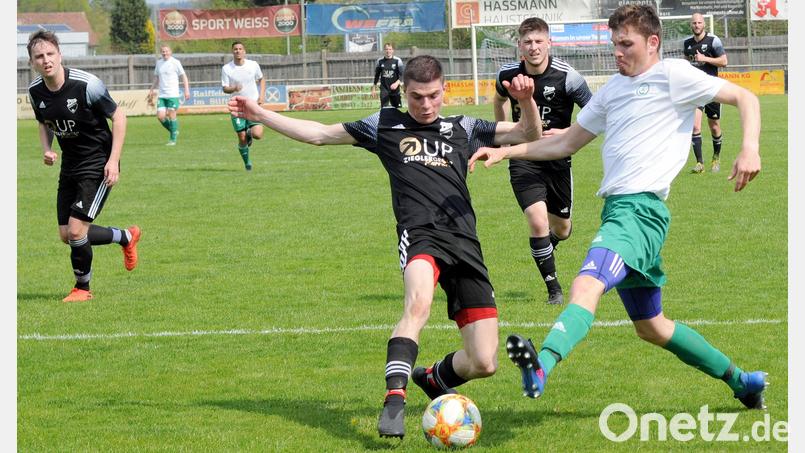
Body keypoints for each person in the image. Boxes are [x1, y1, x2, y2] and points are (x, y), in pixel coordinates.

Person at [470, 5, 767, 410]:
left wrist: (749, 148)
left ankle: (542, 364)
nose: (618, 51)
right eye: (614, 43)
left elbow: (744, 97)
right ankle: (742, 381)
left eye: (625, 43)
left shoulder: (672, 75)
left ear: (653, 42)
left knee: (586, 284)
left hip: (639, 212)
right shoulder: (612, 89)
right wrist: (507, 151)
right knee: (652, 327)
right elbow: (566, 141)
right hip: (620, 212)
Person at [228, 55, 541, 438]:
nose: (425, 105)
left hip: (465, 242)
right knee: (418, 304)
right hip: (420, 233)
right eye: (416, 98)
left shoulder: (466, 126)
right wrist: (260, 112)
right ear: (403, 92)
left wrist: (526, 101)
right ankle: (395, 400)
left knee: (484, 361)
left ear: (444, 90)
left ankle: (432, 379)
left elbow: (528, 134)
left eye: (432, 96)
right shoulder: (386, 124)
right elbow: (319, 134)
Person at [27, 30, 141, 302]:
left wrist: (113, 161)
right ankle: (125, 236)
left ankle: (83, 289)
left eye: (50, 54)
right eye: (39, 56)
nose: (46, 60)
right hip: (70, 165)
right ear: (32, 61)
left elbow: (119, 117)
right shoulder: (35, 91)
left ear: (60, 55)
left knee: (78, 230)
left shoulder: (87, 85)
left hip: (98, 163)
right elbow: (44, 123)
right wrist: (47, 149)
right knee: (67, 234)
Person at [493, 17, 593, 305]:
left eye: (539, 41)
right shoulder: (508, 74)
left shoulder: (568, 77)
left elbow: (596, 112)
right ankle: (554, 290)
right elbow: (498, 100)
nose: (533, 47)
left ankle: (548, 247)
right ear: (519, 46)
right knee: (537, 222)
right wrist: (503, 132)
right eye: (527, 42)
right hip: (523, 155)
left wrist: (567, 132)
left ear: (549, 42)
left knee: (562, 229)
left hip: (557, 155)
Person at [684, 13, 728, 173]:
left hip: (712, 90)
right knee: (695, 126)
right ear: (691, 25)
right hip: (695, 91)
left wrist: (706, 59)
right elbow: (686, 65)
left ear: (704, 24)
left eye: (699, 22)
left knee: (714, 126)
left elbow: (724, 61)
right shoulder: (687, 43)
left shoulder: (713, 41)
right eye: (694, 23)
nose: (696, 25)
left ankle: (716, 158)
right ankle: (699, 163)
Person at [221, 41, 265, 171]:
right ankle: (247, 164)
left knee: (258, 134)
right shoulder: (227, 68)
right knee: (241, 137)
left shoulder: (253, 65)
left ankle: (249, 133)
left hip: (252, 105)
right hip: (237, 106)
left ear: (244, 51)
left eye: (240, 49)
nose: (238, 51)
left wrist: (261, 96)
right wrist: (233, 88)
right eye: (235, 49)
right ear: (232, 52)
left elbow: (261, 79)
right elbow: (224, 88)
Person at [147, 45, 190, 146]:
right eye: (163, 51)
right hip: (162, 95)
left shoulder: (175, 62)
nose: (164, 53)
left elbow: (184, 76)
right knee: (160, 116)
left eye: (166, 51)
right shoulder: (159, 63)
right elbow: (156, 77)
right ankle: (173, 130)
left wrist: (186, 90)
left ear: (170, 52)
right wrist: (152, 89)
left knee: (171, 115)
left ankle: (172, 139)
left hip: (173, 94)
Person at [372, 43, 404, 108]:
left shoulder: (397, 61)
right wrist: (373, 88)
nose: (388, 51)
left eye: (390, 49)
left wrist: (396, 83)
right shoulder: (380, 61)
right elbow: (377, 75)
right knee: (384, 109)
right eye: (386, 49)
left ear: (393, 50)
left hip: (395, 89)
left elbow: (402, 75)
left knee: (396, 110)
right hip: (384, 88)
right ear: (384, 50)